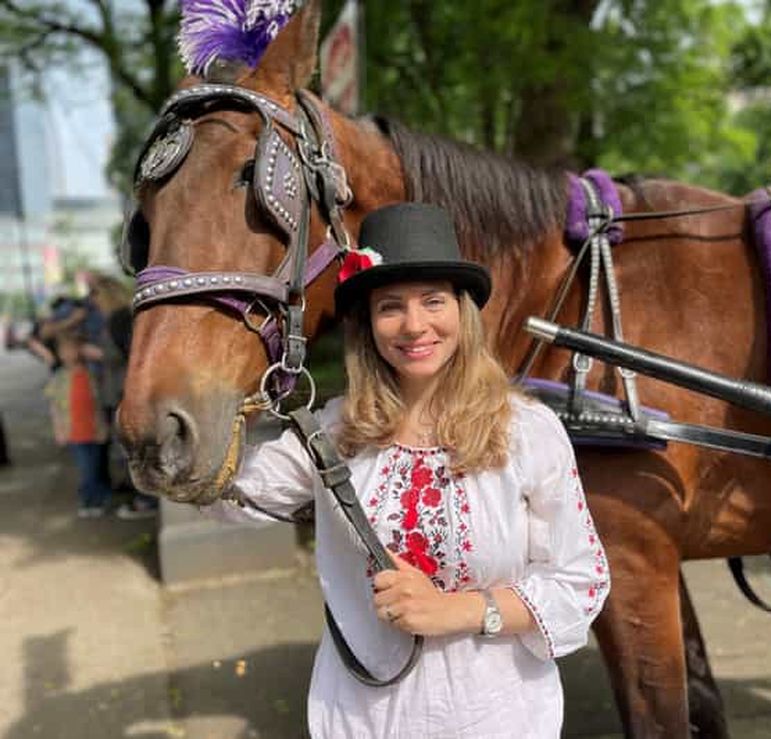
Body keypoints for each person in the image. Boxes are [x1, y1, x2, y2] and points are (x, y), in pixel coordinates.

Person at [204, 203, 610, 737]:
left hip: (498, 712)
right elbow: (225, 493)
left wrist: (459, 611)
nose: (414, 325)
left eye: (433, 301)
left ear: (462, 312)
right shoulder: (334, 432)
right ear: (369, 324)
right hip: (363, 714)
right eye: (390, 306)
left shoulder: (525, 431)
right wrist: (189, 402)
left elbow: (582, 580)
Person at [82, 274, 158, 519]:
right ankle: (143, 497)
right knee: (131, 448)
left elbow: (128, 356)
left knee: (132, 448)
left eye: (95, 295)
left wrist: (97, 353)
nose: (92, 301)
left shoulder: (118, 319)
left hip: (121, 392)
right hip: (119, 392)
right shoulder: (124, 317)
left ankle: (146, 500)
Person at [44, 331, 113, 518]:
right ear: (59, 354)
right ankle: (88, 499)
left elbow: (99, 404)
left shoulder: (92, 374)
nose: (69, 354)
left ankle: (99, 498)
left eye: (73, 349)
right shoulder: (58, 377)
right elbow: (54, 407)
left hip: (94, 430)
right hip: (74, 433)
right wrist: (58, 429)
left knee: (97, 466)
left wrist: (104, 428)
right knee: (87, 469)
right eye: (64, 350)